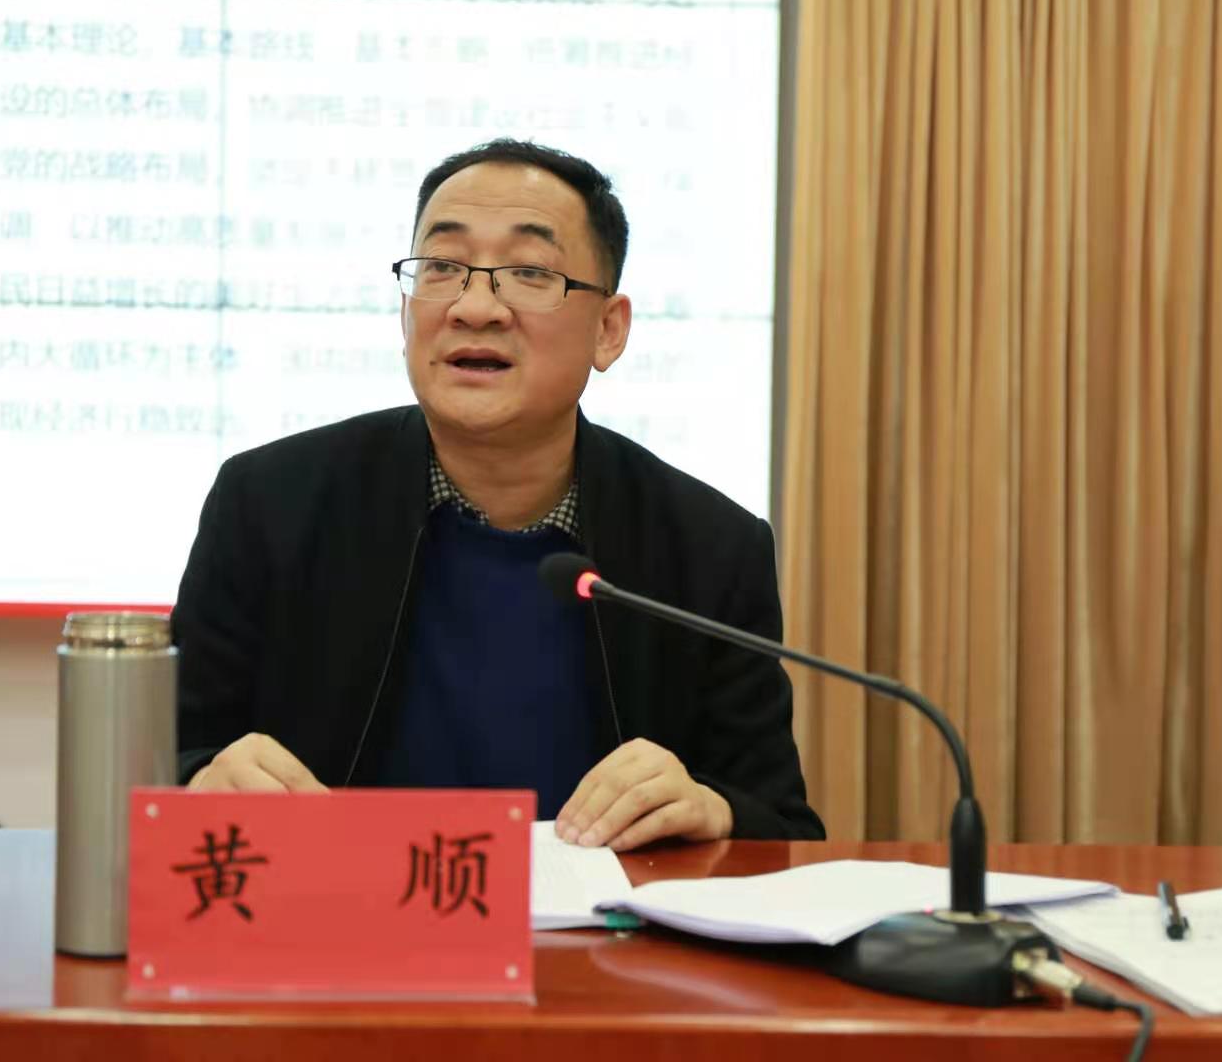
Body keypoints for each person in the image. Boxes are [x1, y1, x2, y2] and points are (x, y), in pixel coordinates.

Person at [172, 138, 825, 848]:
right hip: (334, 911)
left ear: (609, 330)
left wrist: (713, 810)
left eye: (528, 272)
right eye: (441, 267)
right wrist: (200, 777)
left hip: (602, 920)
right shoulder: (269, 505)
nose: (475, 306)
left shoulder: (709, 548)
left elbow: (784, 827)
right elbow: (160, 761)